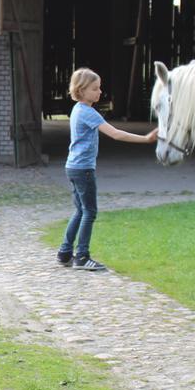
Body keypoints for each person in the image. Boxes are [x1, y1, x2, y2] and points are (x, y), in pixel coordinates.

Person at [58, 68, 158, 271]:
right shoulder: (88, 112)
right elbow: (116, 134)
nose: (99, 92)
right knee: (89, 212)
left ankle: (65, 252)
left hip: (73, 167)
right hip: (84, 169)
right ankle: (82, 257)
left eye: (99, 88)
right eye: (95, 88)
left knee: (80, 210)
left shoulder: (77, 109)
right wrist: (146, 139)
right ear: (81, 90)